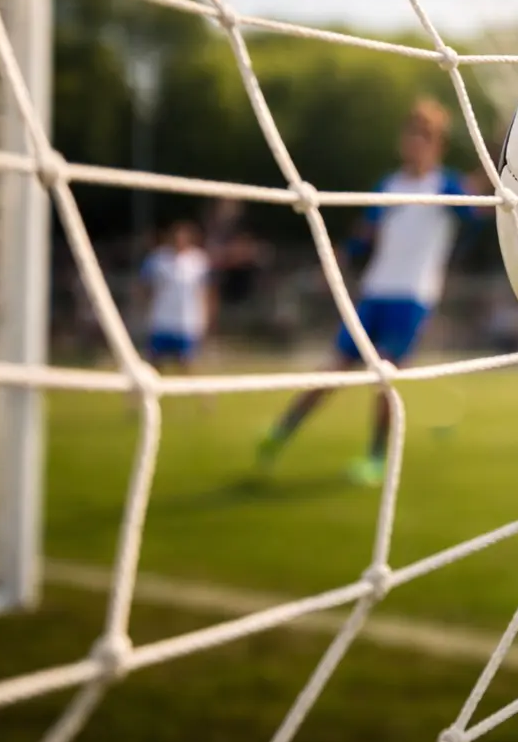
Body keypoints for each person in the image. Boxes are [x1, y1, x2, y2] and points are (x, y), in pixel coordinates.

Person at [256, 97, 488, 486]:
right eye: (411, 133)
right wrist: (336, 263)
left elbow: (478, 212)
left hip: (412, 297)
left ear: (437, 144)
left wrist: (492, 177)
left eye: (424, 136)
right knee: (334, 369)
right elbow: (367, 234)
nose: (415, 142)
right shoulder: (389, 185)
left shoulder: (446, 185)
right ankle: (281, 431)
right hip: (375, 292)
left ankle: (376, 459)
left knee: (384, 376)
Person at [139, 220, 215, 374]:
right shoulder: (157, 259)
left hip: (186, 321)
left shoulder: (199, 260)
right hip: (161, 319)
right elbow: (143, 287)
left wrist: (206, 318)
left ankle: (201, 395)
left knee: (187, 362)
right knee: (154, 361)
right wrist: (144, 309)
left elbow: (206, 291)